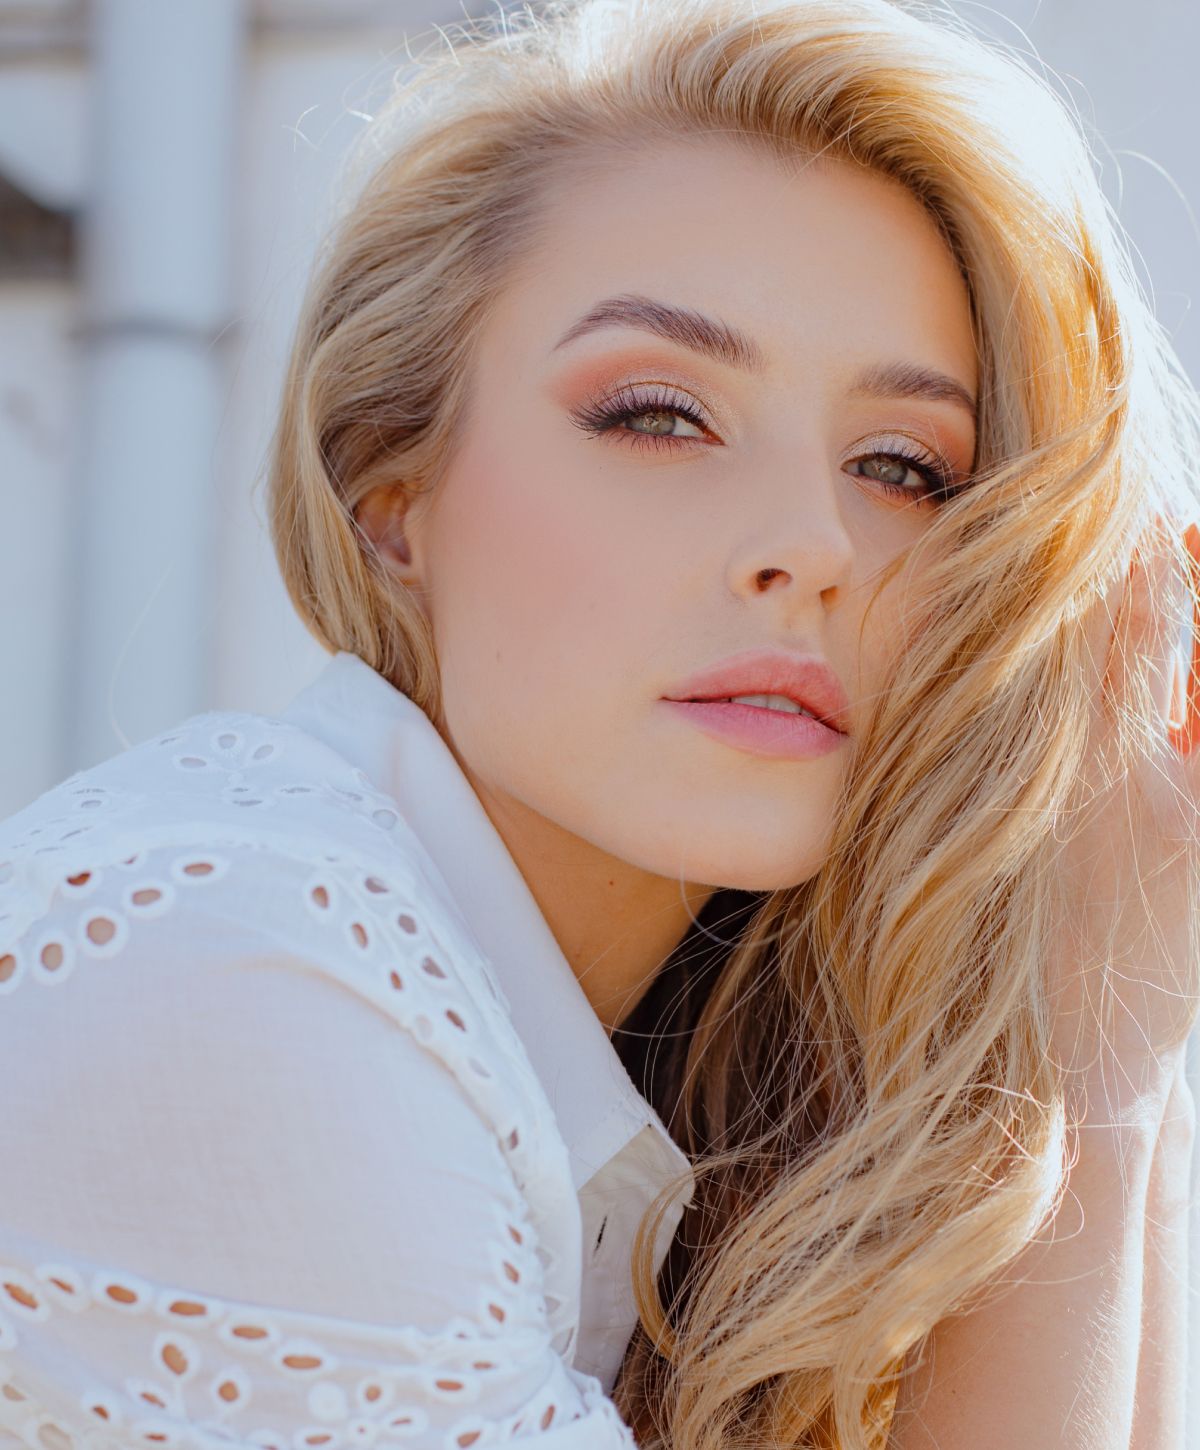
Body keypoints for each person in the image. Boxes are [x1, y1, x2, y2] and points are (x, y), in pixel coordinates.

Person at [1, 0, 1198, 1445]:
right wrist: (1096, 1049)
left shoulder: (649, 1076)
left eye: (902, 465)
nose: (811, 542)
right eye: (657, 414)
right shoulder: (251, 966)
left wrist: (1116, 1032)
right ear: (393, 493)